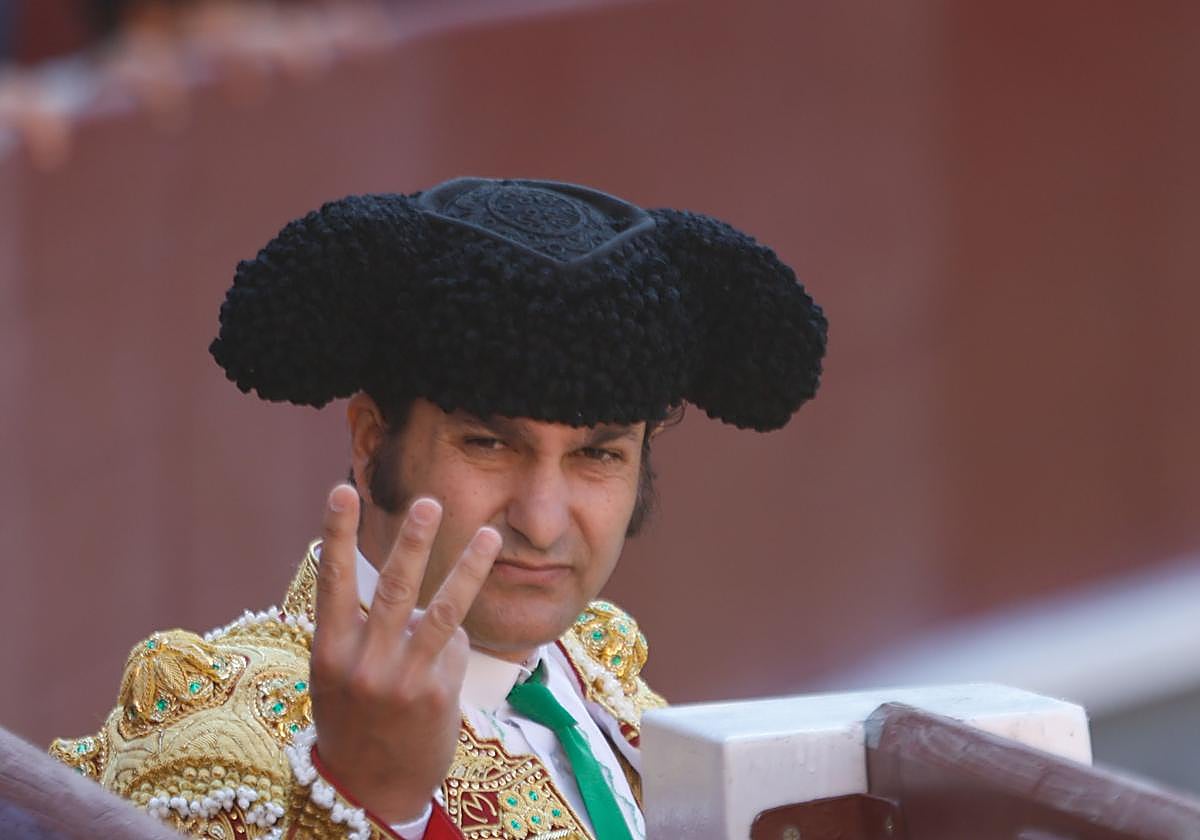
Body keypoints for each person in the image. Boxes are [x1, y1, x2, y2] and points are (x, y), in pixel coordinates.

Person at [50, 177, 827, 839]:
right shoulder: (221, 738)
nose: (544, 519)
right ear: (371, 438)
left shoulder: (599, 684)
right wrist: (363, 803)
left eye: (598, 454)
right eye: (489, 445)